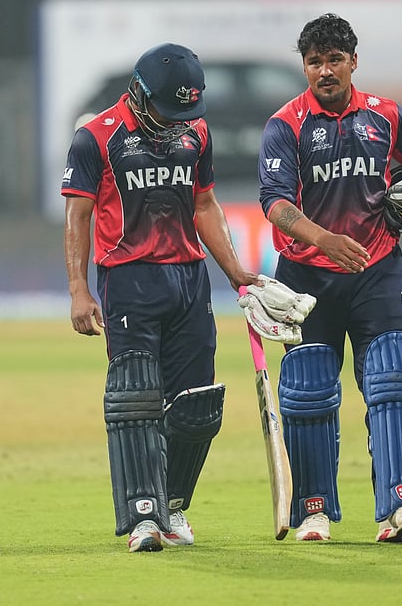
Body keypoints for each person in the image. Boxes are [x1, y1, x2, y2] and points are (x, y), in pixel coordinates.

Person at [256, 13, 402, 543]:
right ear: (304, 66)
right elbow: (275, 205)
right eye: (314, 61)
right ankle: (313, 510)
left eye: (334, 60)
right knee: (307, 393)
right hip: (306, 276)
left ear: (353, 61)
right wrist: (324, 239)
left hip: (378, 270)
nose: (324, 71)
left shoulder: (386, 116)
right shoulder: (285, 125)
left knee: (395, 380)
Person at [62, 42, 260, 553]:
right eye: (167, 110)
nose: (176, 122)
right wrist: (79, 289)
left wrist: (236, 271)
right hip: (128, 281)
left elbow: (206, 204)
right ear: (139, 92)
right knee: (136, 402)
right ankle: (143, 517)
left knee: (197, 406)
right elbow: (78, 219)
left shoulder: (194, 132)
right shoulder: (96, 138)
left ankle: (173, 505)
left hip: (190, 280)